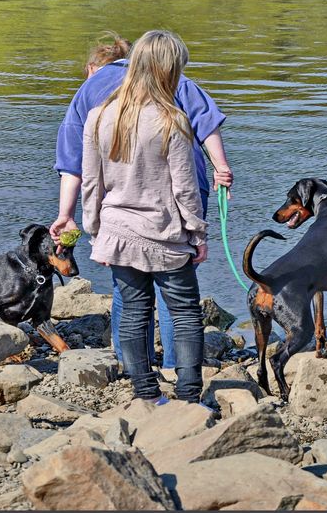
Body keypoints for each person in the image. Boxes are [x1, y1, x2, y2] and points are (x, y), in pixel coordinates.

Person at [51, 31, 233, 379]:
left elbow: (79, 168)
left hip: (118, 218)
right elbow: (202, 135)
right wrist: (219, 176)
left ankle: (137, 377)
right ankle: (177, 376)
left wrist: (75, 221)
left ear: (93, 67)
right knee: (179, 302)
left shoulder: (94, 104)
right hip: (172, 214)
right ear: (168, 65)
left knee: (129, 296)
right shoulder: (175, 92)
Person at [81, 29, 207, 403]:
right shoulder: (173, 120)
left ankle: (147, 393)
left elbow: (92, 183)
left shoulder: (99, 116)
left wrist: (94, 231)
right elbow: (185, 190)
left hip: (118, 232)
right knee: (184, 312)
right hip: (165, 234)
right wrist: (198, 235)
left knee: (135, 311)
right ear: (168, 71)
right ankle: (188, 394)